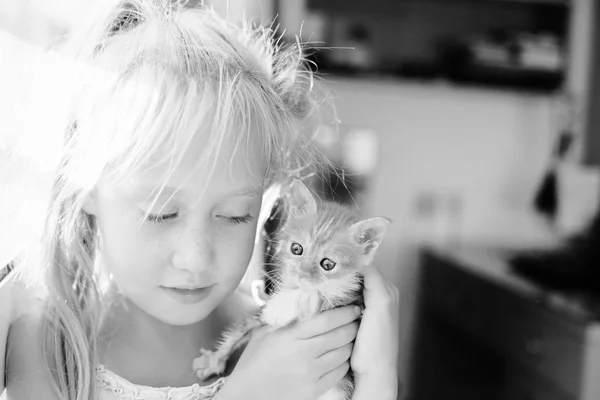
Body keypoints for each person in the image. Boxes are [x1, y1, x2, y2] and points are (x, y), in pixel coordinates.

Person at [0, 1, 400, 399]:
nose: (195, 258)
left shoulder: (287, 343)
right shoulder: (48, 345)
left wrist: (376, 378)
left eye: (234, 215)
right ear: (84, 187)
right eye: (161, 213)